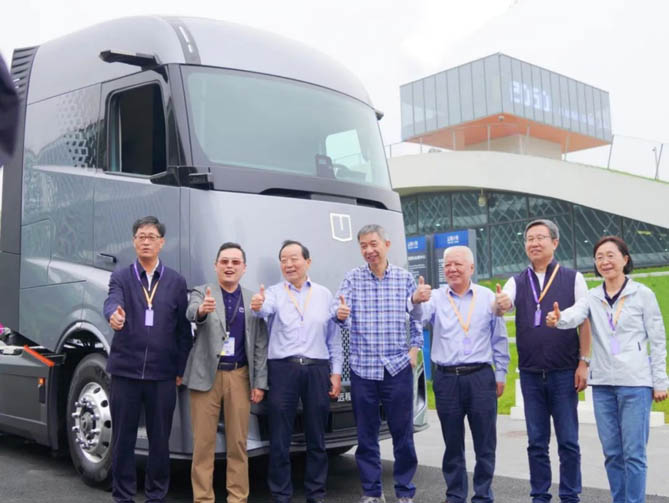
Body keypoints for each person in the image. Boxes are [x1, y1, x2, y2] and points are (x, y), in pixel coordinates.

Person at [546, 235, 668, 503]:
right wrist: (559, 318)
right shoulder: (592, 296)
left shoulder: (642, 294)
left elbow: (658, 341)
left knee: (634, 454)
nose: (605, 261)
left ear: (625, 259)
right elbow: (574, 315)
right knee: (612, 453)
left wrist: (660, 382)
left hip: (635, 384)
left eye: (610, 255)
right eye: (599, 257)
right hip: (602, 386)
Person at [494, 218, 591, 503]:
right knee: (536, 442)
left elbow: (584, 320)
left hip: (564, 372)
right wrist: (501, 303)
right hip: (531, 374)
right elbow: (505, 301)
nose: (534, 243)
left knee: (568, 441)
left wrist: (583, 362)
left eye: (540, 237)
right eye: (529, 239)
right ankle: (540, 495)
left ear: (555, 242)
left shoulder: (573, 278)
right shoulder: (517, 280)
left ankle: (570, 495)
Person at [335, 224, 431, 503]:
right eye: (363, 245)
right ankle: (372, 492)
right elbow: (338, 312)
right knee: (366, 436)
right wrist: (340, 314)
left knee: (403, 433)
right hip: (363, 369)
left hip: (397, 368)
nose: (369, 250)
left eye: (373, 244)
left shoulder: (404, 278)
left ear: (386, 245)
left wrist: (414, 349)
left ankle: (404, 490)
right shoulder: (352, 278)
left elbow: (417, 318)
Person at [103, 216, 192, 503]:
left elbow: (183, 331)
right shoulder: (121, 277)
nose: (146, 241)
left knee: (160, 441)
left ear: (161, 243)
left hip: (162, 375)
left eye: (151, 237)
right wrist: (113, 314)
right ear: (134, 241)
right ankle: (123, 495)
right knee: (123, 439)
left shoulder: (176, 281)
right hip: (125, 372)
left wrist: (180, 368)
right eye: (141, 236)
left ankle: (156, 495)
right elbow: (112, 300)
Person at [250, 240, 343, 503]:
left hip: (317, 369)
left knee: (317, 436)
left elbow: (333, 338)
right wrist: (257, 305)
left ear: (307, 262)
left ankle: (316, 493)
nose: (288, 264)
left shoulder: (324, 294)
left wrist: (336, 373)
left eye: (294, 259)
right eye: (283, 260)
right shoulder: (273, 293)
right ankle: (281, 494)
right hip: (283, 369)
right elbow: (262, 310)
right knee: (280, 437)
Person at [420, 246, 509, 503]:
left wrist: (501, 374)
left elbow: (499, 338)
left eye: (458, 264)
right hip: (447, 379)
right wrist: (415, 301)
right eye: (447, 265)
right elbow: (419, 318)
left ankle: (483, 495)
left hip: (480, 377)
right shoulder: (435, 297)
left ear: (471, 268)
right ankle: (455, 495)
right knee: (452, 444)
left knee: (485, 443)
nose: (452, 269)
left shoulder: (487, 297)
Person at [183, 242, 269, 503]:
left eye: (235, 262)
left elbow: (260, 344)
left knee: (238, 443)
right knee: (203, 444)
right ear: (216, 265)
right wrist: (202, 310)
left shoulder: (253, 299)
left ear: (244, 268)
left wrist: (260, 383)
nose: (229, 266)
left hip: (239, 376)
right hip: (205, 377)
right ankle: (203, 498)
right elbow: (191, 313)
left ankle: (237, 497)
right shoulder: (202, 292)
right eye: (224, 261)